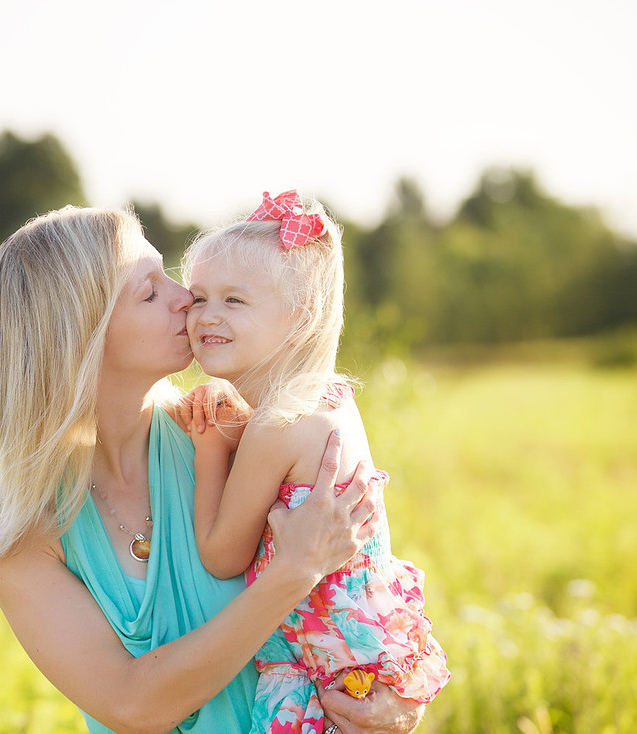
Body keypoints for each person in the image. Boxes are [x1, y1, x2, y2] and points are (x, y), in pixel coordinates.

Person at [0, 204, 426, 733]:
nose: (188, 299)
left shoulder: (225, 430)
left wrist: (393, 698)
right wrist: (292, 573)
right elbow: (132, 705)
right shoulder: (10, 528)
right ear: (80, 336)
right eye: (151, 292)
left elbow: (358, 583)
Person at [179, 191, 450, 732]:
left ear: (301, 317)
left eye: (235, 300)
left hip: (313, 682)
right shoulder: (331, 400)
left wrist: (210, 446)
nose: (207, 314)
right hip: (365, 663)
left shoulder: (275, 427)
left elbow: (221, 554)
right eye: (197, 297)